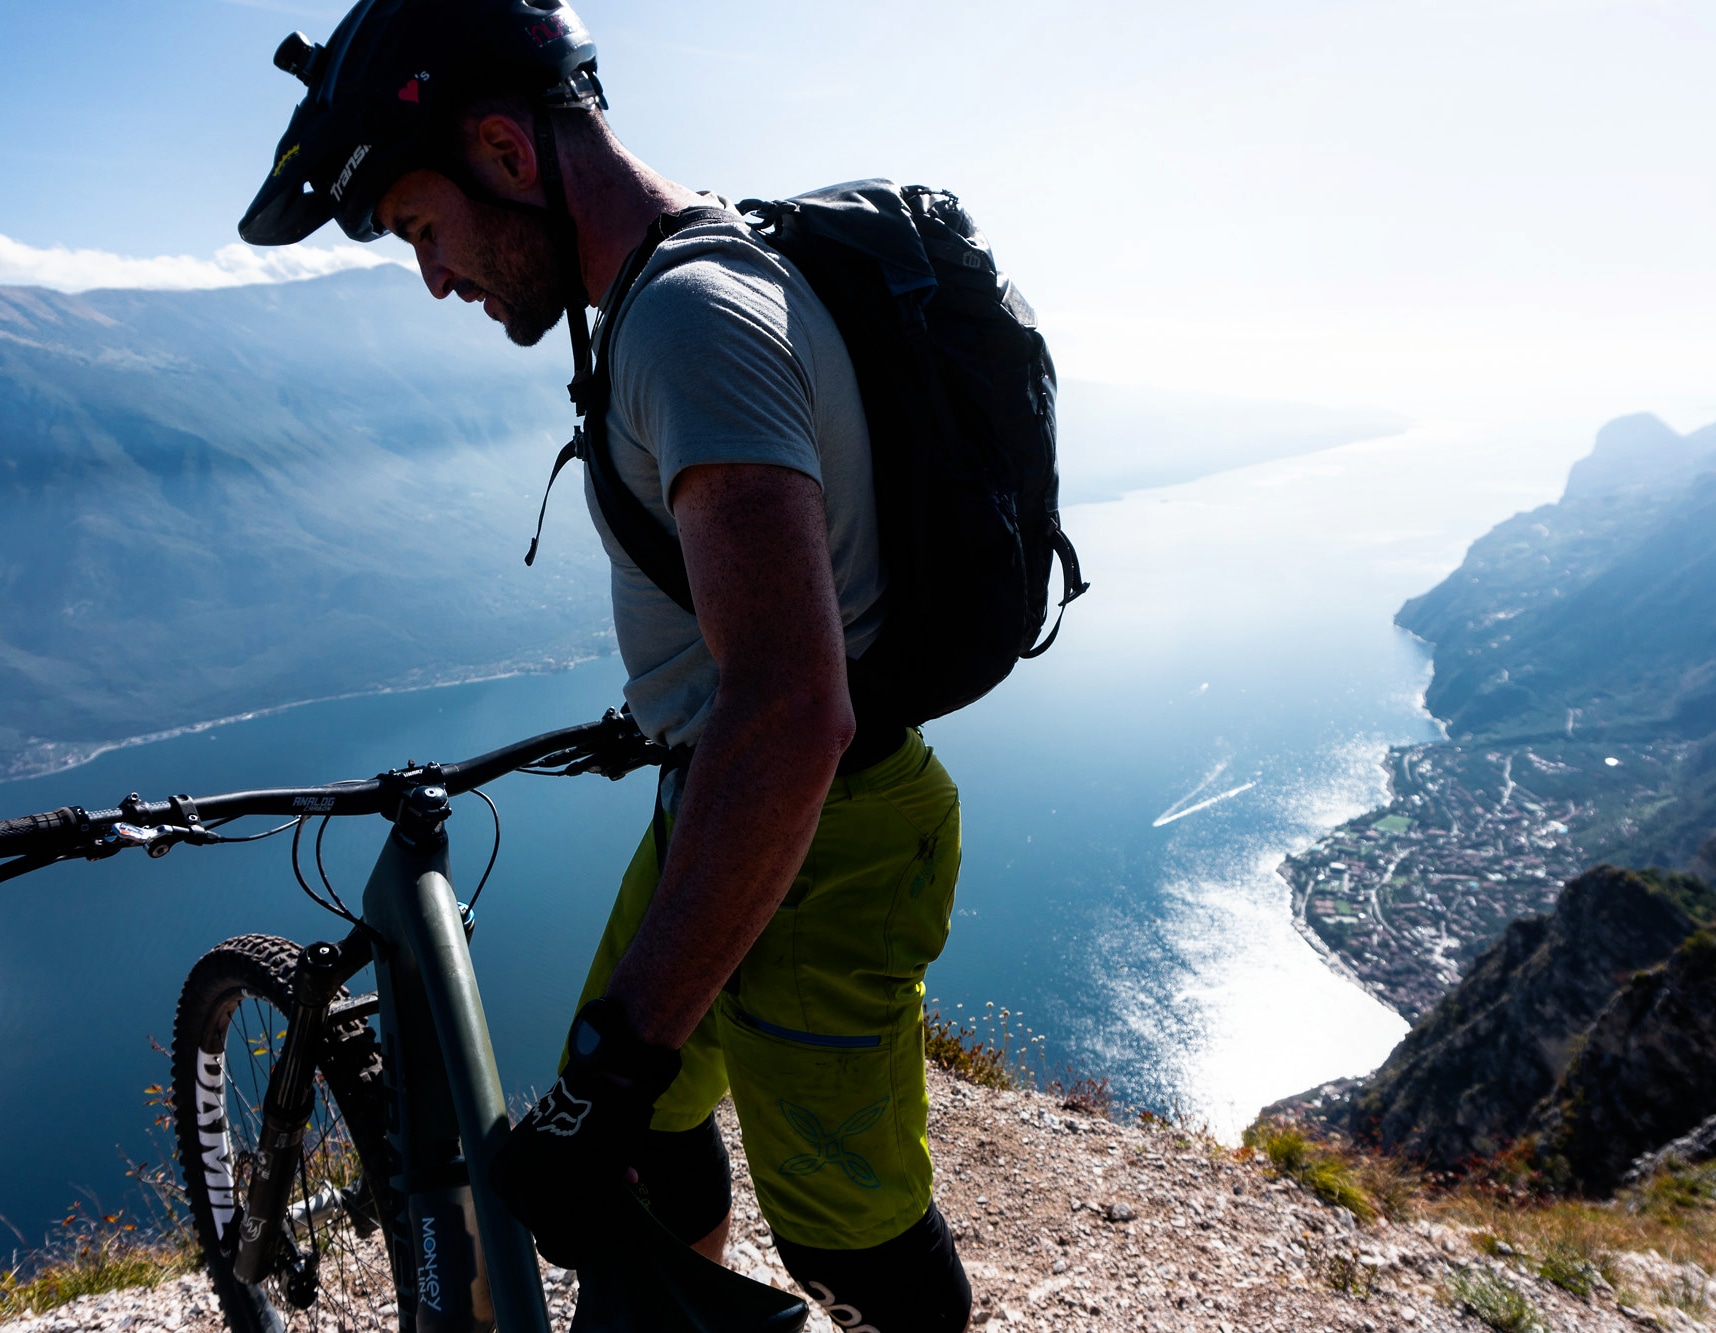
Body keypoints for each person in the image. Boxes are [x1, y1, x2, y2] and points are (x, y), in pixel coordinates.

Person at [239, 3, 971, 1329]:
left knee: (854, 1246)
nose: (437, 279)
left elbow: (795, 708)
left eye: (422, 230)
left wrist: (613, 1064)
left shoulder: (687, 323)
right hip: (721, 797)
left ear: (507, 153)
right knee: (640, 1145)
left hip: (823, 831)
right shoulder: (679, 283)